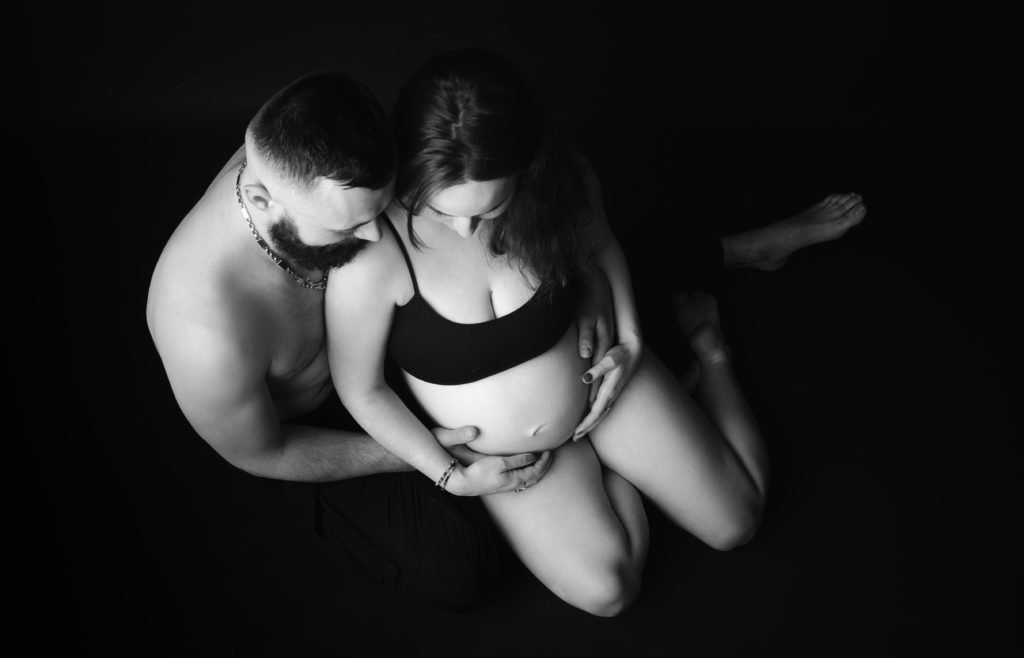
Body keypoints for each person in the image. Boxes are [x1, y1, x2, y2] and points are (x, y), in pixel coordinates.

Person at [147, 64, 863, 614]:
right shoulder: (208, 325)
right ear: (266, 201)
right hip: (376, 431)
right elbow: (277, 443)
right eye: (347, 234)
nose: (372, 237)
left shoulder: (333, 165)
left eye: (382, 207)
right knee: (486, 573)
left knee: (735, 520)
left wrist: (626, 330)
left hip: (558, 364)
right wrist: (442, 464)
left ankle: (723, 307)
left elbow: (592, 234)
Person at [326, 48, 776, 617]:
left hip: (604, 386)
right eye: (442, 212)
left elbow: (603, 243)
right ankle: (621, 466)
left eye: (490, 208)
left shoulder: (559, 182)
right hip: (516, 457)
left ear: (525, 169)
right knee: (607, 592)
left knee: (738, 522)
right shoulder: (373, 253)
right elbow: (361, 389)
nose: (465, 228)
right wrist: (449, 476)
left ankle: (712, 356)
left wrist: (632, 339)